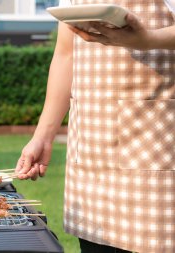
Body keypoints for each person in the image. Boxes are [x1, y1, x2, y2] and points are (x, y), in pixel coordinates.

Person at [15, 1, 175, 252]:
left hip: (154, 143)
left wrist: (148, 40)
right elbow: (66, 53)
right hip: (91, 152)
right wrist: (43, 136)